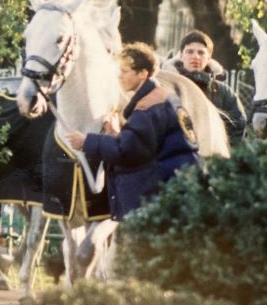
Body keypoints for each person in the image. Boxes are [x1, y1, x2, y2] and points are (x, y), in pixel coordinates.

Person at [66, 42, 201, 221]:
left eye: (125, 71)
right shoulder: (161, 96)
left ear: (143, 74)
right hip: (172, 190)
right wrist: (117, 133)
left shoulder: (147, 108)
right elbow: (144, 145)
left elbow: (126, 151)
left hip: (155, 200)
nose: (119, 76)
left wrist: (87, 142)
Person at [164, 29, 246, 145]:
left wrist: (223, 150)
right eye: (190, 52)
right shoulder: (169, 87)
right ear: (181, 56)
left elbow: (238, 123)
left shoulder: (223, 91)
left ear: (209, 58)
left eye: (201, 53)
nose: (196, 57)